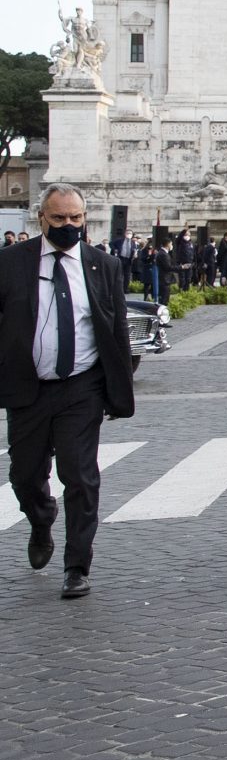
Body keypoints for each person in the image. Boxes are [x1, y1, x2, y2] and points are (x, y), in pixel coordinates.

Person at [0, 184, 134, 600]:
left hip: (82, 387)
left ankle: (77, 566)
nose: (68, 226)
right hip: (29, 387)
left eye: (75, 218)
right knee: (24, 475)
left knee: (79, 475)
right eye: (59, 219)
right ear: (41, 218)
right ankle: (41, 520)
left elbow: (115, 329)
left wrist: (118, 391)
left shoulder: (103, 265)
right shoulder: (9, 263)